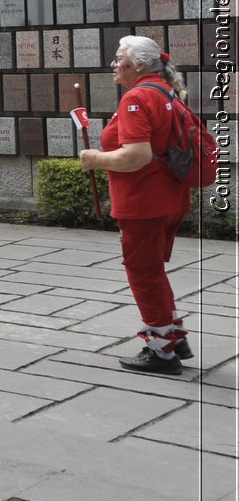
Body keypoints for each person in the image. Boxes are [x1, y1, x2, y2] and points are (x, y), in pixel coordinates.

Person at [78, 35, 197, 375]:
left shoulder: (137, 98)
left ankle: (161, 351)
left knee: (143, 274)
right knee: (153, 272)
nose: (114, 65)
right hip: (170, 197)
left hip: (144, 200)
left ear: (140, 65)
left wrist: (95, 158)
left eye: (119, 59)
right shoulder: (165, 92)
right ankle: (175, 337)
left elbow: (137, 156)